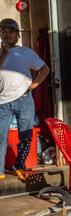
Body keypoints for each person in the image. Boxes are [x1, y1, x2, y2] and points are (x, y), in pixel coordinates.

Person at [0, 18, 49, 181]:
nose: (6, 35)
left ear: (17, 35)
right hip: (2, 102)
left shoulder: (26, 52)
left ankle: (19, 165)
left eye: (10, 32)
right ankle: (0, 169)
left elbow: (44, 69)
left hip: (24, 99)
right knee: (1, 136)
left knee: (26, 135)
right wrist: (4, 53)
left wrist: (33, 85)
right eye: (3, 32)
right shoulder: (1, 53)